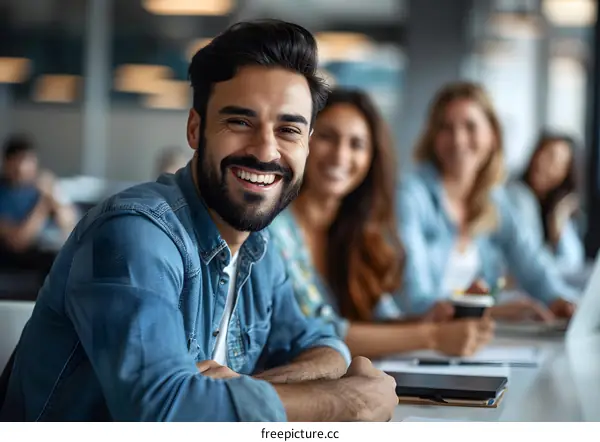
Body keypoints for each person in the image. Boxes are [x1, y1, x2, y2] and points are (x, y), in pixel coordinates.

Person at [0, 20, 397, 422]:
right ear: (196, 128)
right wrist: (342, 402)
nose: (265, 150)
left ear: (306, 145)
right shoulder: (133, 234)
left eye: (288, 129)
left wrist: (250, 390)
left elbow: (325, 343)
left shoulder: (260, 246)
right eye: (240, 122)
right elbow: (163, 412)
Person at [269, 88, 494, 359]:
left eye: (357, 144)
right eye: (328, 137)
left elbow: (380, 319)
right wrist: (433, 336)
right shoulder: (276, 228)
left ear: (371, 159)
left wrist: (440, 317)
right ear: (304, 141)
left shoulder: (355, 230)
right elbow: (318, 333)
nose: (341, 156)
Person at [396, 82, 578, 320]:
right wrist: (491, 310)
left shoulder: (497, 200)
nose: (458, 140)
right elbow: (416, 301)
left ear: (492, 134)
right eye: (446, 128)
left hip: (472, 343)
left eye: (470, 127)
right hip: (413, 343)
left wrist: (559, 300)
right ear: (433, 137)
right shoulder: (410, 195)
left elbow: (534, 266)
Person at [506, 132, 584, 273]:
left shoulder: (556, 205)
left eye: (552, 158)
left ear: (566, 172)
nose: (541, 161)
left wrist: (559, 220)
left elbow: (574, 262)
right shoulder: (518, 195)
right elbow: (532, 264)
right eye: (541, 152)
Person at [0, 135, 77, 269]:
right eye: (18, 161)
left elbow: (70, 224)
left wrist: (53, 194)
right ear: (7, 162)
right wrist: (43, 205)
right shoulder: (4, 194)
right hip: (21, 258)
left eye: (28, 161)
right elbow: (19, 241)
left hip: (53, 248)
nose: (22, 168)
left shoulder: (43, 186)